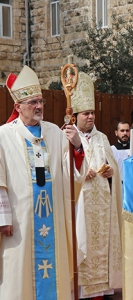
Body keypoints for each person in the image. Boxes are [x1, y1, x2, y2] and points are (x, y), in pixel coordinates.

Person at [0, 66, 86, 300]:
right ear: (18, 107)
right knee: (19, 274)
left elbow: (71, 173)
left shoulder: (55, 133)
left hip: (52, 217)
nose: (39, 106)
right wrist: (3, 218)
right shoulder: (3, 135)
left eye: (41, 101)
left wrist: (77, 147)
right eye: (32, 102)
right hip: (20, 221)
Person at [71, 72, 122, 299]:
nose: (90, 117)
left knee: (101, 246)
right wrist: (82, 172)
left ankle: (101, 292)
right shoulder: (69, 136)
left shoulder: (101, 138)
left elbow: (112, 166)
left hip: (102, 206)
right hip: (80, 204)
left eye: (92, 113)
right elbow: (65, 169)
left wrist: (111, 172)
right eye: (86, 113)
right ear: (75, 116)